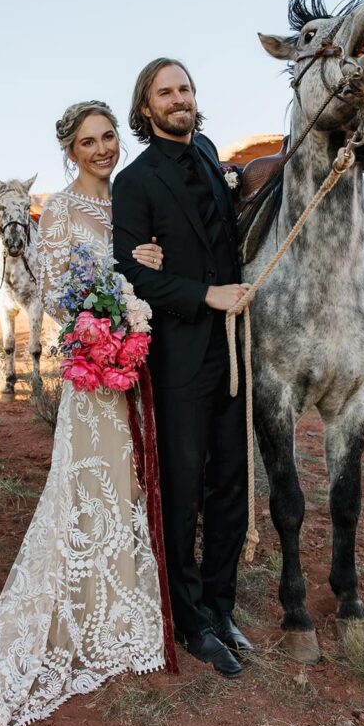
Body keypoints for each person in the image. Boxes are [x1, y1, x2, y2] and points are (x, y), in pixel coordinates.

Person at [0, 101, 175, 726]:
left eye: (108, 137)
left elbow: (147, 271)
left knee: (132, 487)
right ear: (70, 151)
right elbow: (54, 295)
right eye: (88, 142)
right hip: (94, 372)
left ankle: (125, 608)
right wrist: (106, 320)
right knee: (93, 488)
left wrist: (150, 269)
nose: (102, 149)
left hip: (140, 366)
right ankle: (81, 614)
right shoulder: (61, 212)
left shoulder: (130, 200)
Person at [113, 58, 253, 678]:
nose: (179, 99)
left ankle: (221, 607)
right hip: (179, 356)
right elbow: (132, 274)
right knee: (183, 490)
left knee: (232, 484)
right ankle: (191, 622)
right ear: (146, 108)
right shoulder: (134, 181)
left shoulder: (211, 154)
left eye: (186, 89)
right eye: (165, 92)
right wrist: (205, 295)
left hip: (233, 349)